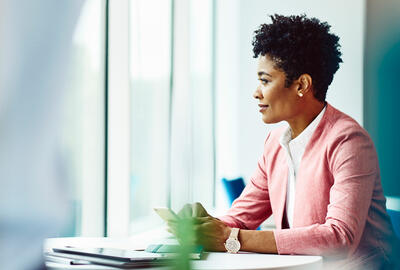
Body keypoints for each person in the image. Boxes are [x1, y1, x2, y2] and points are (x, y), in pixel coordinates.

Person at [168, 14, 397, 269]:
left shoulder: (349, 142)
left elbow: (339, 238)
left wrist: (231, 237)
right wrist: (205, 224)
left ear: (302, 85)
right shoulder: (276, 142)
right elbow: (240, 219)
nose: (256, 92)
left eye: (265, 81)